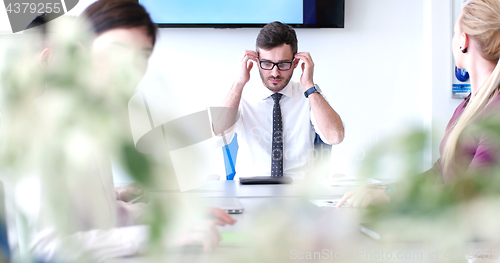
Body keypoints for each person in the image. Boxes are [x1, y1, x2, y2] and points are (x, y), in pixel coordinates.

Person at [8, 1, 235, 261]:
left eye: (143, 55)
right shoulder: (45, 128)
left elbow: (99, 216)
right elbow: (43, 244)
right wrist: (159, 235)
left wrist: (171, 217)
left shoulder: (91, 121)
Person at [337, 0, 500, 208]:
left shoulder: (495, 112)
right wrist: (388, 189)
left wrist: (392, 198)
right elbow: (441, 172)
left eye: (454, 32)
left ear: (463, 41)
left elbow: (473, 193)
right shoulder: (469, 106)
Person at [216, 21, 344, 179]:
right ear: (256, 62)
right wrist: (239, 83)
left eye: (283, 64)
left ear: (295, 63)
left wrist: (309, 85)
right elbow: (217, 135)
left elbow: (335, 137)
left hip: (298, 193)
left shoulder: (309, 95)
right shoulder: (242, 95)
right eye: (267, 63)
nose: (275, 73)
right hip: (251, 192)